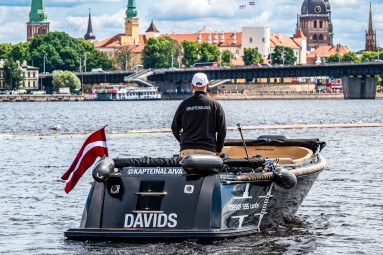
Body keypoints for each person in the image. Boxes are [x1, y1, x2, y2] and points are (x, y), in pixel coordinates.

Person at [171, 72, 227, 157]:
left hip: (186, 150)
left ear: (192, 86)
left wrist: (184, 142)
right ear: (207, 85)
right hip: (208, 150)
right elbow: (222, 131)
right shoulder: (215, 105)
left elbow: (175, 128)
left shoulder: (184, 104)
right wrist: (219, 149)